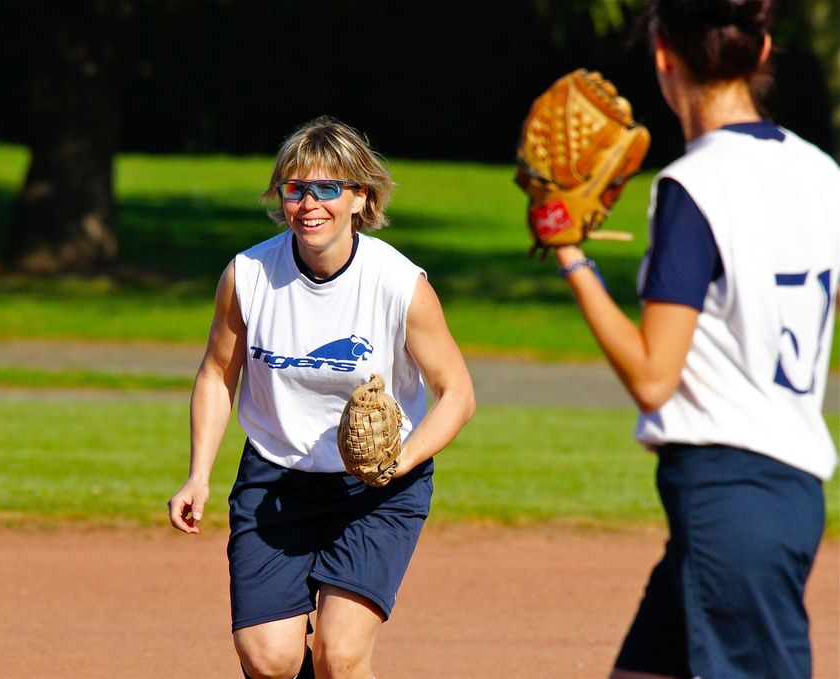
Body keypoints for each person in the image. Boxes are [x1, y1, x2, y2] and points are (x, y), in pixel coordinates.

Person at [546, 1, 840, 677]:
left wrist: (570, 254)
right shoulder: (822, 173)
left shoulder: (693, 183)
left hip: (728, 492)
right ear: (763, 52)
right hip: (785, 496)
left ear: (662, 57)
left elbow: (654, 375)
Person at [167, 115, 475, 679]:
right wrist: (198, 475)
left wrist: (396, 462)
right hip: (275, 477)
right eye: (296, 188)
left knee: (340, 655)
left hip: (376, 492)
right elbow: (217, 374)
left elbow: (457, 393)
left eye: (328, 188)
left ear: (360, 197)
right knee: (269, 659)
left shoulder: (398, 284)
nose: (310, 204)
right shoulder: (249, 275)